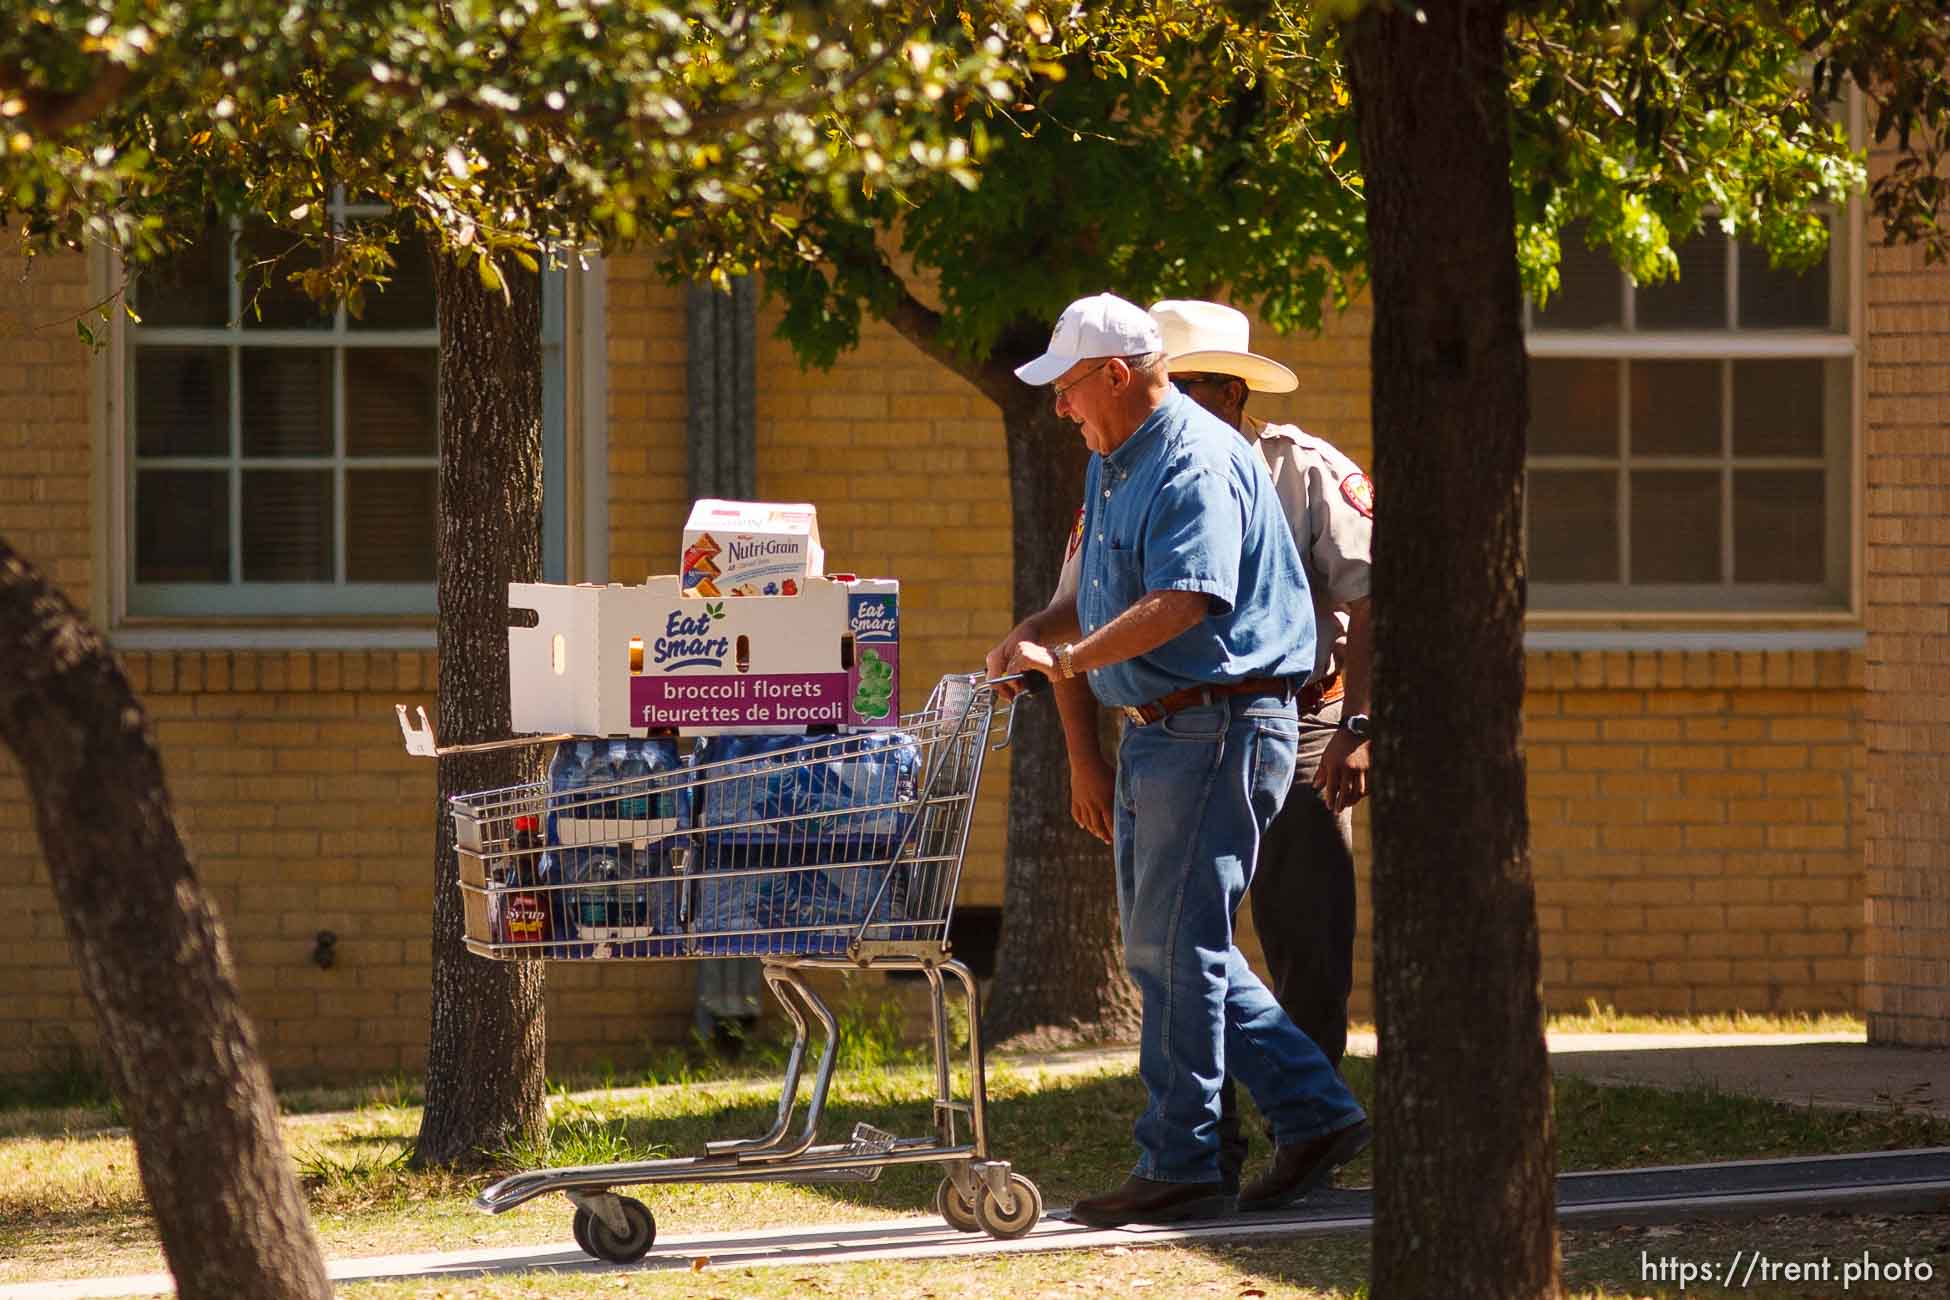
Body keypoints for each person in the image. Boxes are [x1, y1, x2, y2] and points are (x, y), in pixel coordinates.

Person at [987, 292, 1369, 1226]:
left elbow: (1187, 600)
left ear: (1116, 375)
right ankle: (1313, 1113)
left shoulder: (1195, 457)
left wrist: (1069, 662)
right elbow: (1105, 593)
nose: (1062, 409)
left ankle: (1185, 1157)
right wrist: (1032, 635)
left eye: (1070, 389)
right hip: (1165, 730)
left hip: (1219, 724)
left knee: (1178, 949)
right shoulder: (1114, 462)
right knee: (1167, 950)